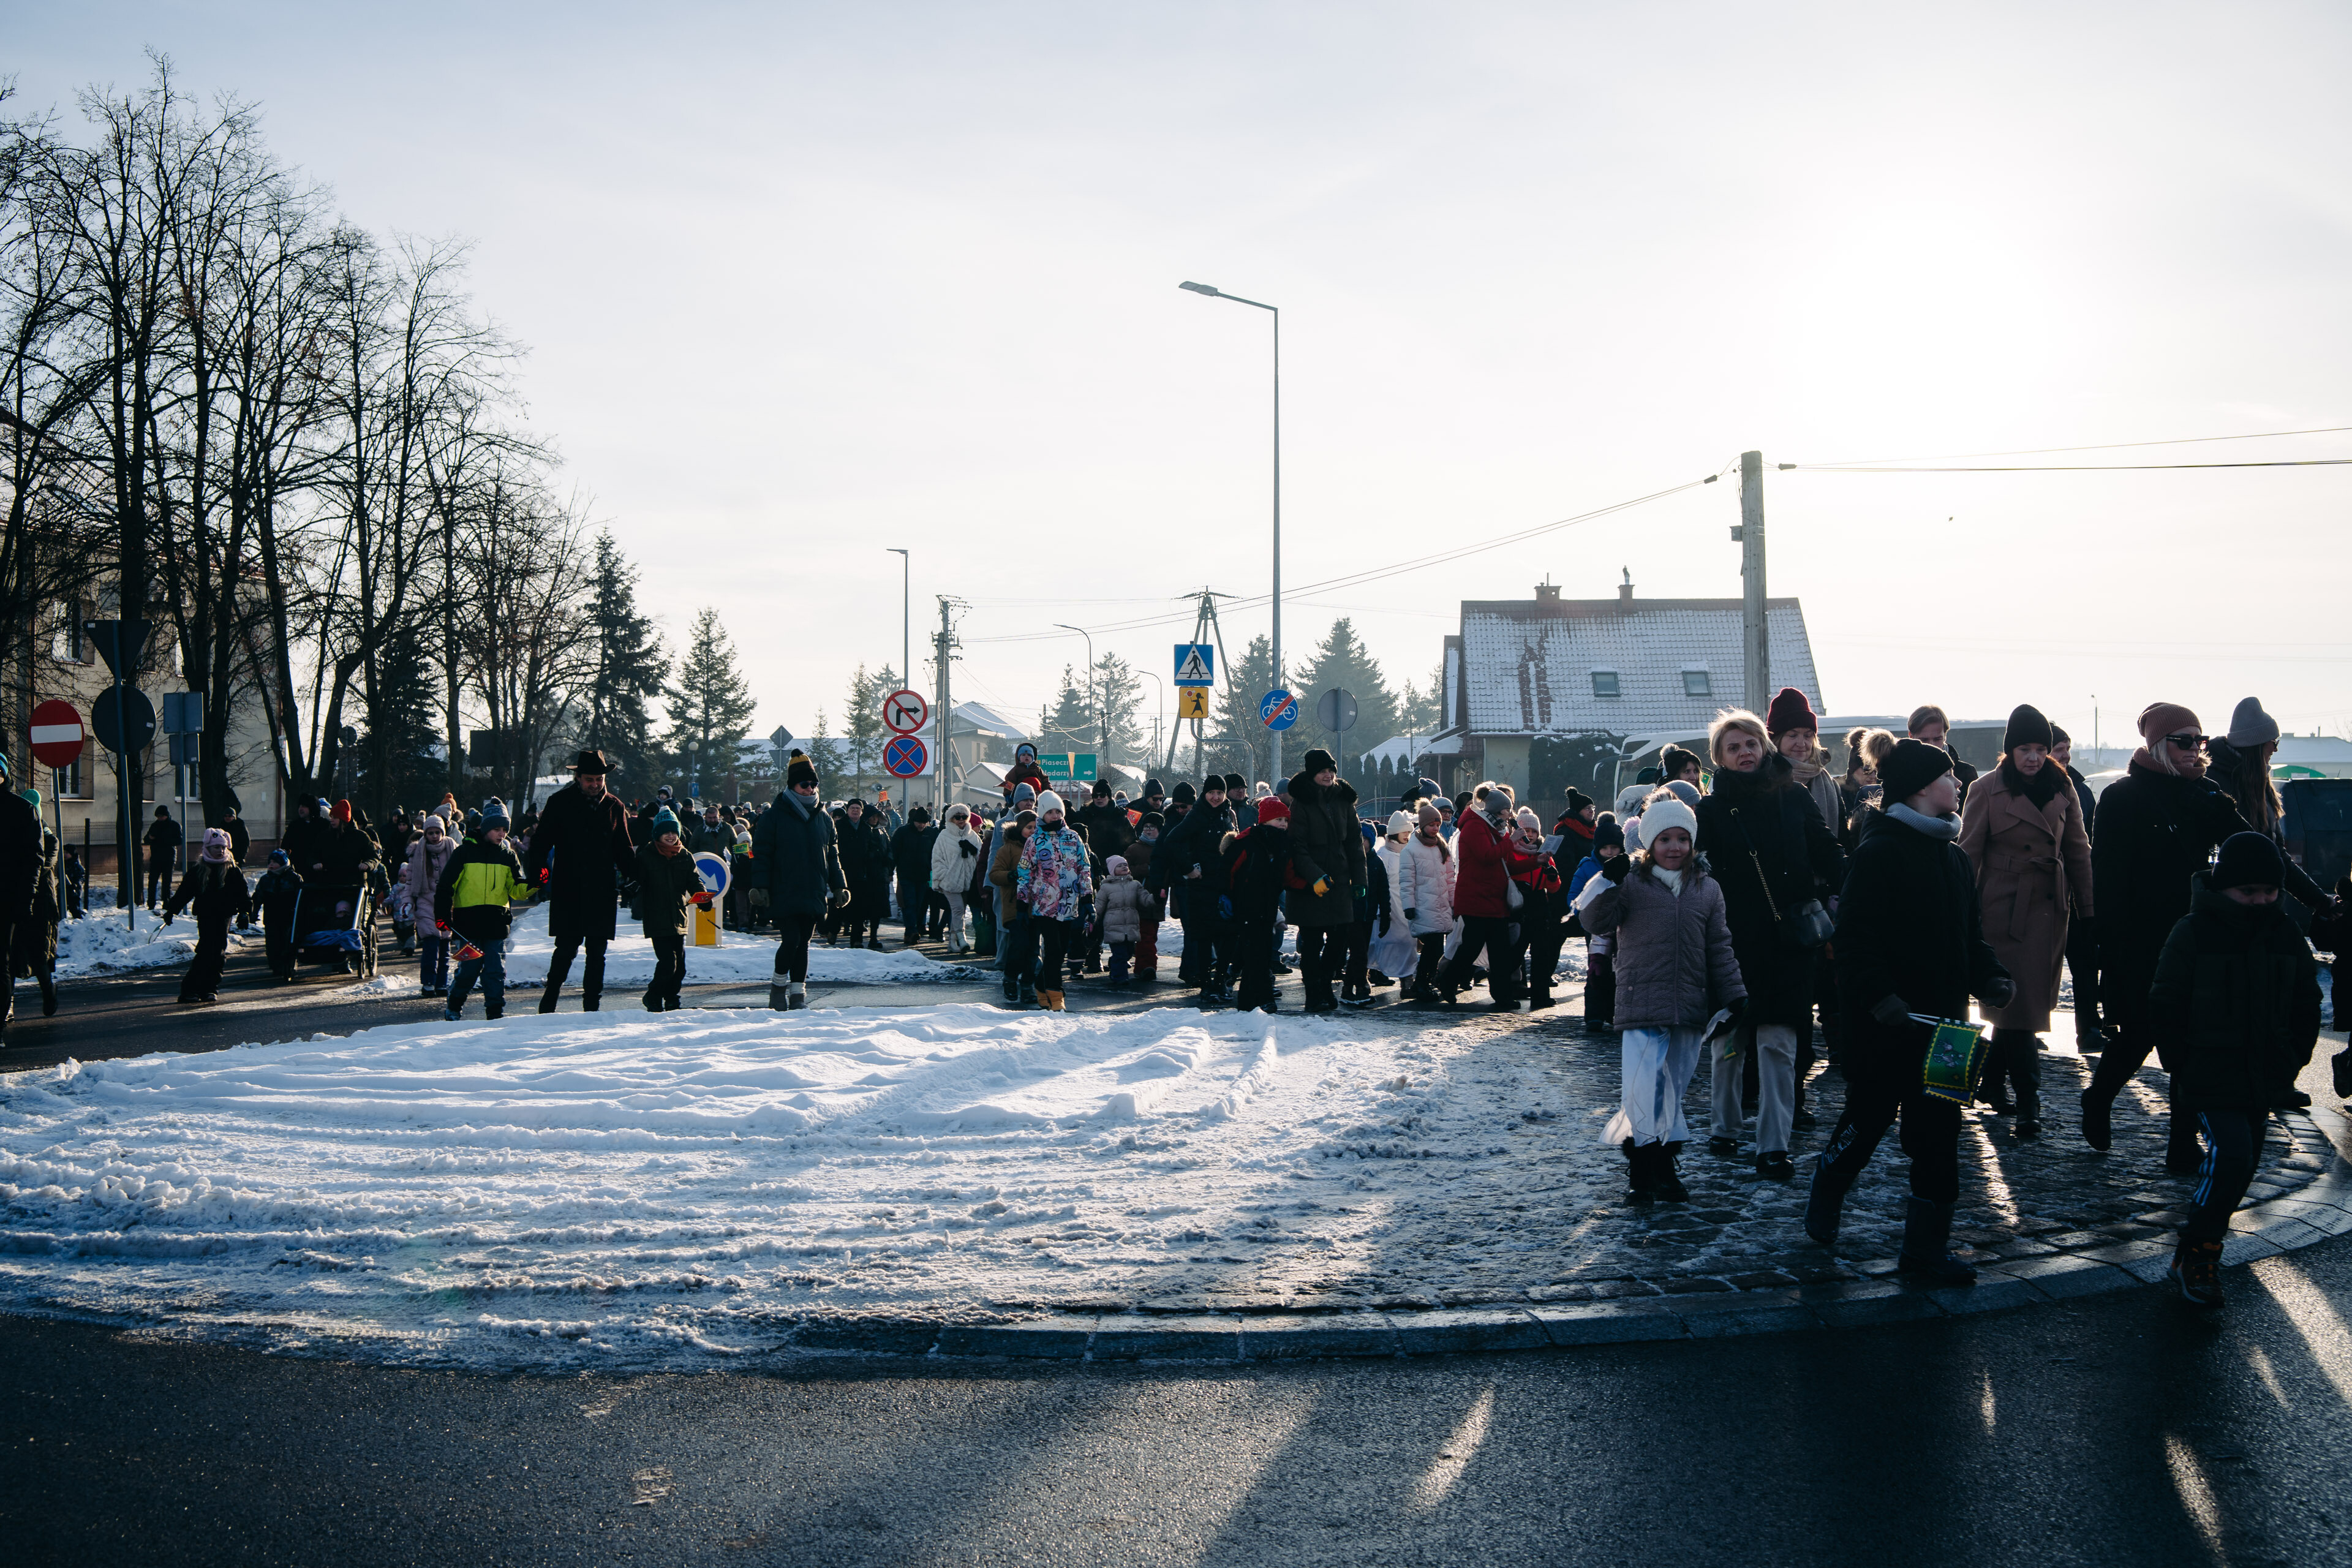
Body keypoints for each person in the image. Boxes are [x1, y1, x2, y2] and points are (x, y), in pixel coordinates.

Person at [2083, 702, 2334, 1166]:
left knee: (2193, 1040)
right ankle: (2098, 1099)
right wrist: (2109, 947)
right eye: (2183, 741)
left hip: (2197, 935)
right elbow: (2108, 880)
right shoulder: (2123, 797)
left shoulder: (2206, 793)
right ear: (2157, 745)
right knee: (2139, 1034)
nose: (2194, 749)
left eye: (2199, 740)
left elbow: (2263, 855)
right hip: (2140, 939)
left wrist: (2320, 900)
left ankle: (2183, 1144)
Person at [1805, 738, 2013, 1281]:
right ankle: (1829, 1182)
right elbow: (1854, 942)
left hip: (1948, 1030)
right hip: (1887, 1027)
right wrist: (1881, 998)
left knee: (1940, 1135)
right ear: (1922, 788)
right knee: (1867, 1121)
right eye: (1949, 776)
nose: (1959, 783)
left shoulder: (1954, 858)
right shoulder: (1878, 853)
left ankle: (1925, 1252)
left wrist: (1991, 977)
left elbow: (1971, 938)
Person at [2147, 833, 2321, 1306]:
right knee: (2232, 1155)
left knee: (2242, 1166)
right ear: (2224, 887)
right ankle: (2200, 1253)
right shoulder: (2194, 931)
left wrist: (2292, 1058)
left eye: (2269, 892)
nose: (2261, 900)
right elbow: (2166, 1001)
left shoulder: (2284, 933)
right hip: (2208, 1071)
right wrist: (2180, 1062)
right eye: (2249, 892)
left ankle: (2195, 1249)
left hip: (2265, 1074)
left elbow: (2306, 1000)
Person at [1693, 708, 1845, 1179]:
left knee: (1780, 1045)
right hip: (1731, 943)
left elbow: (1828, 851)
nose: (1745, 753)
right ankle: (1725, 1126)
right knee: (1730, 1041)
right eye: (1733, 747)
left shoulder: (1794, 796)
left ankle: (1773, 1145)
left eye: (1751, 744)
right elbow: (1694, 872)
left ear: (1764, 747)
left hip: (1789, 942)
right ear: (1719, 757)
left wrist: (1856, 885)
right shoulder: (1710, 810)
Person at [1585, 794, 1744, 1203]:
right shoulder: (1631, 884)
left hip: (1688, 1004)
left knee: (1672, 1087)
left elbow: (1720, 946)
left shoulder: (1707, 889)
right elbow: (1594, 920)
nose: (1675, 848)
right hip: (1640, 1000)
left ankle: (1664, 1164)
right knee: (1644, 1086)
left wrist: (1735, 993)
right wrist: (1607, 881)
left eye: (1682, 839)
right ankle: (1643, 1168)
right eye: (1665, 839)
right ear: (1650, 842)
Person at [1956, 704, 2092, 1138]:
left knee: (2019, 1006)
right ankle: (2029, 1102)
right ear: (2009, 750)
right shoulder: (1986, 789)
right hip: (2003, 908)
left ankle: (1991, 1082)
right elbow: (1967, 854)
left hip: (2049, 908)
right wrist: (1960, 912)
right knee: (2018, 1007)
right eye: (2024, 749)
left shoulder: (2062, 786)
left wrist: (2089, 911)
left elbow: (2078, 850)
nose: (2033, 758)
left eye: (2040, 749)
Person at [527, 749, 637, 1013]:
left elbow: (623, 848)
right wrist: (538, 872)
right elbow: (540, 843)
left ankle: (592, 1008)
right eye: (590, 779)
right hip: (569, 888)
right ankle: (549, 1002)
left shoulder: (615, 806)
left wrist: (635, 877)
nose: (595, 784)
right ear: (578, 778)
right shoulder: (559, 802)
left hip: (602, 889)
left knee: (597, 953)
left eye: (599, 779)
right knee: (565, 950)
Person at [758, 752, 850, 1010]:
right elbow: (762, 854)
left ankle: (798, 995)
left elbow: (832, 856)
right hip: (784, 888)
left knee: (804, 944)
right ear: (792, 785)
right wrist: (760, 886)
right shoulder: (774, 815)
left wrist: (839, 885)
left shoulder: (824, 818)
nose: (810, 789)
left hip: (813, 889)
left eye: (813, 784)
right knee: (791, 940)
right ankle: (778, 988)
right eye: (804, 784)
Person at [1441, 783, 1539, 1012]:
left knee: (1499, 951)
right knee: (1471, 947)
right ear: (1498, 810)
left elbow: (1506, 864)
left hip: (1494, 899)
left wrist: (1536, 862)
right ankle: (1447, 981)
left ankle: (1502, 996)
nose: (1511, 814)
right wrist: (1511, 841)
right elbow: (1486, 856)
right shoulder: (1475, 826)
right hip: (1476, 898)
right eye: (1508, 810)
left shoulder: (1496, 829)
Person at [434, 804, 535, 1022]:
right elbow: (446, 886)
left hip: (496, 924)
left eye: (505, 829)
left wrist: (535, 883)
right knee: (469, 970)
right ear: (485, 828)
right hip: (468, 925)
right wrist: (442, 915)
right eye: (497, 829)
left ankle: (495, 1013)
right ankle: (454, 1006)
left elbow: (516, 890)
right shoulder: (464, 853)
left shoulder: (508, 856)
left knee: (495, 971)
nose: (502, 834)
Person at [1284, 748, 1366, 1016]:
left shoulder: (1344, 799)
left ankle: (1325, 985)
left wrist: (1360, 879)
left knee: (1340, 940)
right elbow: (1297, 846)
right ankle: (1313, 994)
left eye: (1331, 770)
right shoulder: (1301, 802)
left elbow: (1355, 843)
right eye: (1322, 771)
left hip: (1340, 881)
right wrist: (1315, 876)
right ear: (1312, 774)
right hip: (1313, 885)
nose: (1328, 775)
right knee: (1312, 943)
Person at [2049, 724, 2106, 1050]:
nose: (2066, 755)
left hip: (2076, 891)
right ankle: (2023, 1029)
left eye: (2068, 748)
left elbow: (2091, 842)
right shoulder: (2023, 789)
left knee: (2084, 962)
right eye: (2059, 748)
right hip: (2042, 892)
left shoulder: (2081, 789)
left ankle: (2089, 1028)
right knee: (2036, 963)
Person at [1016, 791, 1091, 1012]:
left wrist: (1088, 898)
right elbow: (1025, 873)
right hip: (1044, 905)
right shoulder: (1034, 841)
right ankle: (1056, 994)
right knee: (1053, 949)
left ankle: (1041, 986)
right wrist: (1022, 904)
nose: (1055, 815)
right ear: (1042, 814)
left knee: (1062, 950)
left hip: (1069, 904)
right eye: (1050, 812)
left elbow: (1084, 868)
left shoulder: (1073, 838)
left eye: (1058, 811)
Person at [160, 828, 252, 1005]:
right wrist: (172, 911)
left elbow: (243, 894)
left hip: (224, 915)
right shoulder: (199, 870)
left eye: (223, 847)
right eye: (216, 847)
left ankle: (210, 988)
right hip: (206, 915)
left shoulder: (232, 870)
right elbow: (184, 893)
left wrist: (245, 912)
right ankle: (190, 990)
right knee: (206, 951)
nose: (221, 851)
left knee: (218, 952)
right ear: (207, 848)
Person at [1224, 796, 1297, 1012]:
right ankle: (1259, 999)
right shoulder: (1248, 842)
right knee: (1255, 953)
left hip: (1268, 906)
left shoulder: (1283, 844)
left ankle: (1250, 1000)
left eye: (1285, 820)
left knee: (1261, 952)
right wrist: (1226, 898)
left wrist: (1310, 885)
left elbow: (1288, 876)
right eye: (1278, 819)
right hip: (1246, 904)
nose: (1283, 824)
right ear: (1265, 821)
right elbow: (1228, 871)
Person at [635, 809, 712, 1011]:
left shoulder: (685, 855)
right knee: (668, 962)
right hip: (656, 916)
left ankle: (671, 998)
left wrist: (703, 898)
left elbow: (694, 880)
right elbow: (636, 881)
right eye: (666, 832)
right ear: (657, 834)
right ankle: (653, 996)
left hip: (679, 915)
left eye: (673, 832)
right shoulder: (646, 855)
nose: (671, 836)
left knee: (680, 967)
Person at [1398, 800, 1457, 1003]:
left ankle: (1425, 982)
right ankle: (1421, 984)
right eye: (1431, 824)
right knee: (1432, 947)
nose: (1435, 828)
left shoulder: (1442, 847)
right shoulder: (1411, 850)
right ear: (1422, 825)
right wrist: (1409, 906)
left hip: (1441, 906)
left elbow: (1450, 879)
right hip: (1423, 906)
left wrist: (1453, 902)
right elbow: (1407, 881)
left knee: (1437, 948)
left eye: (1438, 825)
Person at [1569, 815, 1624, 1030]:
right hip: (1595, 929)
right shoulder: (1587, 867)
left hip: (1620, 927)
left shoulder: (1626, 866)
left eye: (1614, 848)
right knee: (1596, 970)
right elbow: (1574, 895)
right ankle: (1594, 1015)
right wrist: (1584, 915)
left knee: (1618, 970)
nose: (1610, 852)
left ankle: (1613, 1012)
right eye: (1605, 848)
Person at [1513, 808, 1567, 1008]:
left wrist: (1552, 877)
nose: (1530, 835)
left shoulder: (1545, 853)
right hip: (1518, 903)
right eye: (1526, 831)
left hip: (1538, 903)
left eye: (1533, 831)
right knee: (1515, 952)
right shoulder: (1512, 851)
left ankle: (1541, 995)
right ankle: (1506, 990)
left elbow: (1555, 888)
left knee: (1541, 953)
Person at [13, 799, 59, 1019]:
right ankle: (8, 1007)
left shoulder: (49, 839)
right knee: (12, 955)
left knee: (39, 954)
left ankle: (49, 992)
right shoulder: (19, 834)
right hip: (19, 901)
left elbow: (43, 864)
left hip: (41, 905)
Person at [403, 813, 458, 998]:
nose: (434, 836)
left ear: (443, 832)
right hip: (426, 902)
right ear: (425, 834)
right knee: (431, 944)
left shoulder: (452, 849)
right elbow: (410, 881)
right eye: (430, 833)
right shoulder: (418, 852)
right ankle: (428, 983)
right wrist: (407, 902)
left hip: (446, 904)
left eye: (437, 832)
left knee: (445, 947)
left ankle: (442, 983)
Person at [992, 808, 1038, 1005]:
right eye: (1029, 827)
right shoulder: (1008, 849)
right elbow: (995, 874)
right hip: (1014, 906)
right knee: (1018, 946)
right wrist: (1012, 875)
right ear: (1020, 828)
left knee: (1033, 951)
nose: (1033, 831)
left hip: (1037, 907)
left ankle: (1027, 986)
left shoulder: (1040, 847)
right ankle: (1010, 979)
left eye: (1036, 828)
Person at [835, 799, 894, 950]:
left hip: (879, 876)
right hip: (865, 876)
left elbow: (889, 848)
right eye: (872, 817)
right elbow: (861, 852)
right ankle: (856, 939)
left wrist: (888, 863)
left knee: (877, 911)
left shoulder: (881, 831)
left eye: (877, 816)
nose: (874, 819)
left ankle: (873, 938)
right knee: (860, 910)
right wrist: (874, 857)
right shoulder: (864, 831)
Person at [1370, 811, 1419, 989]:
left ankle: (1407, 980)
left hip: (1406, 905)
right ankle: (1375, 972)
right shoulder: (1383, 854)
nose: (1407, 835)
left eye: (1409, 831)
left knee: (1408, 941)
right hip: (1388, 906)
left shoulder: (1410, 852)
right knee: (1383, 941)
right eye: (1403, 831)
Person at [929, 804, 984, 954]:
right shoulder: (944, 836)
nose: (961, 820)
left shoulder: (973, 836)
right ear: (951, 819)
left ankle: (953, 942)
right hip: (950, 881)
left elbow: (982, 858)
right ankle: (961, 938)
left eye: (964, 817)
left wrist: (973, 851)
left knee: (959, 912)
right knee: (958, 909)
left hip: (968, 881)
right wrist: (945, 876)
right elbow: (937, 859)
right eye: (957, 817)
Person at [1906, 704, 1980, 801]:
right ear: (1911, 736)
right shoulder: (1900, 771)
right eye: (1924, 740)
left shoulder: (1965, 772)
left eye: (1937, 739)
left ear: (1945, 736)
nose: (1931, 745)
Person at [254, 850, 304, 982]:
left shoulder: (294, 878)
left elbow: (301, 897)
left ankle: (288, 965)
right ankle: (275, 965)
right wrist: (254, 912)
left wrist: (300, 913)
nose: (271, 865)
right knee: (272, 943)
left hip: (289, 916)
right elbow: (258, 896)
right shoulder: (266, 879)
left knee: (287, 941)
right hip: (271, 916)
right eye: (270, 862)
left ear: (283, 863)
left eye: (275, 862)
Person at [891, 805, 937, 948]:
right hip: (906, 874)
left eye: (924, 823)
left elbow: (936, 854)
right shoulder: (903, 832)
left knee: (920, 905)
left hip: (924, 875)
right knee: (909, 903)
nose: (921, 825)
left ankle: (912, 931)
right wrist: (890, 871)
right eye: (919, 823)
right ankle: (912, 930)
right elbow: (894, 852)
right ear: (914, 821)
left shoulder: (931, 833)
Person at [1099, 854, 1148, 986]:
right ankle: (1119, 977)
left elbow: (1144, 898)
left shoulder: (1135, 884)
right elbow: (1099, 905)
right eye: (1120, 866)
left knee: (1128, 952)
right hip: (1113, 925)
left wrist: (1156, 898)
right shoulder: (1106, 887)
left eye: (1125, 865)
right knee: (1120, 953)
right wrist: (1093, 918)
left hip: (1130, 925)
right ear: (1112, 870)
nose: (1124, 867)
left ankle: (1115, 965)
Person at [142, 805, 179, 908]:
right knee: (152, 882)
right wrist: (150, 838)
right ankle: (151, 904)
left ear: (166, 815)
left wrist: (164, 840)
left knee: (167, 883)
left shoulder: (174, 825)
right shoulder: (155, 825)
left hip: (168, 857)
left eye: (161, 816)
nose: (160, 818)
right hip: (156, 857)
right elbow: (146, 839)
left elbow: (179, 840)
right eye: (158, 817)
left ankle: (166, 904)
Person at [60, 842, 88, 922]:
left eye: (67, 853)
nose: (65, 855)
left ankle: (81, 920)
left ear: (72, 854)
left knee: (74, 909)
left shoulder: (77, 865)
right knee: (61, 908)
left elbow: (82, 877)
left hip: (74, 891)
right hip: (64, 889)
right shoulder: (64, 864)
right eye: (64, 853)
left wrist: (76, 884)